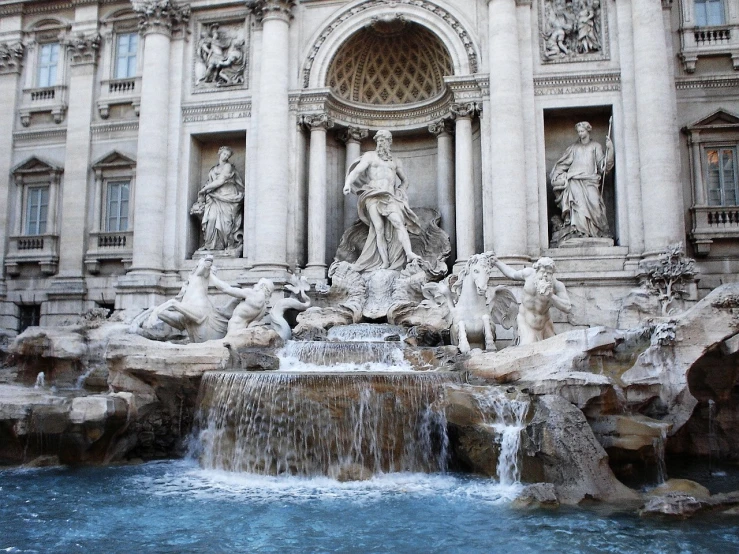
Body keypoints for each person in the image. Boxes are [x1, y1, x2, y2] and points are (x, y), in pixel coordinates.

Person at [342, 130, 423, 271]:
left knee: (398, 223)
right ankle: (385, 262)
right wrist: (348, 184)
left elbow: (405, 180)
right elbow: (356, 172)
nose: (381, 142)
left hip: (389, 197)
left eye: (384, 140)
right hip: (373, 195)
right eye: (379, 140)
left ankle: (409, 253)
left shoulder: (396, 161)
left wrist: (401, 191)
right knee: (378, 229)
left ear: (389, 142)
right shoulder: (370, 156)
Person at [550, 121, 614, 239]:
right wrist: (557, 174)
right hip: (574, 180)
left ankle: (597, 232)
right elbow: (562, 164)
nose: (580, 133)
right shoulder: (573, 148)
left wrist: (610, 150)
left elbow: (603, 166)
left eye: (582, 131)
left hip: (591, 180)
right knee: (577, 206)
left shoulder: (596, 146)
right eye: (578, 132)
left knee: (595, 204)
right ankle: (579, 232)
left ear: (588, 130)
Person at [490, 256, 572, 345]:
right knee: (529, 346)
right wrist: (497, 262)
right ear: (536, 271)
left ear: (552, 274)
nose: (545, 275)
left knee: (554, 349)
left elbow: (567, 307)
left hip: (545, 324)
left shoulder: (557, 285)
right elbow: (512, 274)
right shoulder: (528, 274)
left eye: (548, 273)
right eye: (542, 272)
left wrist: (551, 296)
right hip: (526, 322)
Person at [191, 146, 245, 252]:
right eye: (224, 154)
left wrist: (205, 189)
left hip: (227, 195)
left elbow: (220, 181)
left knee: (226, 223)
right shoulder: (213, 169)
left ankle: (227, 245)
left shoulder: (228, 166)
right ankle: (209, 245)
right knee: (211, 219)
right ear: (219, 153)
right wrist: (205, 192)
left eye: (228, 155)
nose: (225, 156)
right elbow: (210, 182)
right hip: (214, 197)